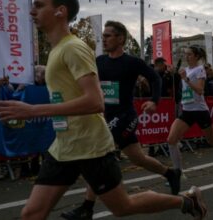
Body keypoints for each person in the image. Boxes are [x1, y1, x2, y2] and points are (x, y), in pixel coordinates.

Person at [0, 0, 206, 220]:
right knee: (32, 213)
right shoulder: (62, 51)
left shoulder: (74, 48)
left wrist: (32, 110)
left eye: (39, 5)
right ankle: (93, 205)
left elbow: (95, 101)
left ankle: (185, 200)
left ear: (60, 11)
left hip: (92, 143)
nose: (32, 11)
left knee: (123, 205)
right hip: (64, 145)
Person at [60, 20, 182, 219]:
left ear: (121, 38)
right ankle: (170, 173)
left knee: (97, 154)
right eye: (104, 36)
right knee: (138, 158)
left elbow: (155, 78)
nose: (104, 39)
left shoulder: (132, 62)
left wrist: (154, 101)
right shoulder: (99, 61)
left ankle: (87, 208)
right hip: (105, 116)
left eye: (108, 35)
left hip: (125, 116)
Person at [167, 46, 213, 193]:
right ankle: (178, 173)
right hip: (186, 111)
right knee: (171, 140)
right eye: (186, 54)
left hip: (200, 111)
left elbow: (200, 90)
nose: (187, 57)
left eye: (190, 54)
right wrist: (175, 73)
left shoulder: (200, 70)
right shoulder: (186, 70)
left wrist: (185, 78)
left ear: (197, 56)